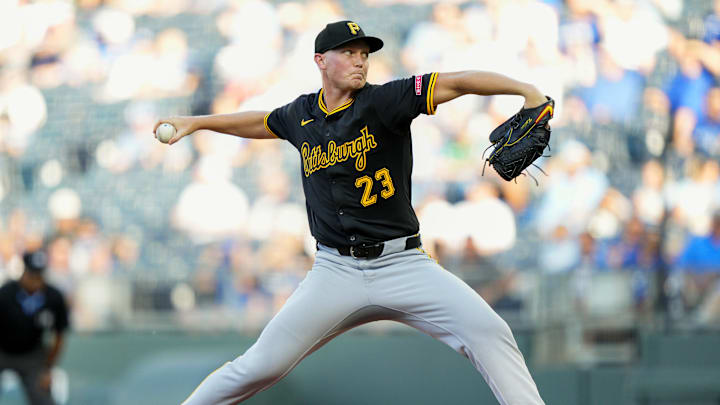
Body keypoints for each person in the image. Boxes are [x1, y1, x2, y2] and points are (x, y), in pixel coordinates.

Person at [161, 21, 547, 405]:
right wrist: (197, 124)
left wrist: (524, 90)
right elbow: (260, 122)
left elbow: (457, 82)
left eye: (364, 54)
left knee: (489, 332)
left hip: (404, 265)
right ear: (321, 60)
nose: (360, 61)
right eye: (348, 52)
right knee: (259, 367)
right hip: (334, 272)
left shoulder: (385, 101)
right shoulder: (300, 115)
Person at [0, 250, 69, 405]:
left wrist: (48, 368)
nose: (35, 281)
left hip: (32, 354)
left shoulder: (53, 297)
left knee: (43, 398)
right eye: (32, 275)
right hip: (2, 351)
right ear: (24, 271)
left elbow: (59, 336)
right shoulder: (6, 293)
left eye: (39, 276)